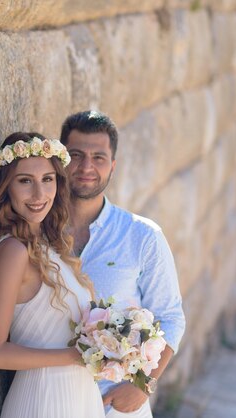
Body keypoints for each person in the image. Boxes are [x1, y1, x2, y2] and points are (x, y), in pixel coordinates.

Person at [60, 110, 186, 417]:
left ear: (112, 166)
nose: (86, 167)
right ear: (61, 160)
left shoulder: (142, 236)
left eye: (98, 157)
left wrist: (143, 386)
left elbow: (170, 318)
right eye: (76, 155)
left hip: (115, 406)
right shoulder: (38, 232)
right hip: (52, 395)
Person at [0, 132, 106, 417]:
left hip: (80, 399)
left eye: (47, 179)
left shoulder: (51, 246)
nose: (39, 195)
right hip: (44, 401)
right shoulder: (13, 251)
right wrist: (76, 355)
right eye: (25, 181)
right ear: (5, 187)